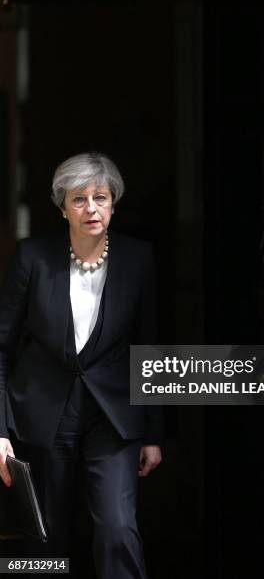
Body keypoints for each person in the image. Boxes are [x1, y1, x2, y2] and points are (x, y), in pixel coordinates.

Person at [0, 152, 163, 578]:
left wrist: (152, 431)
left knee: (116, 528)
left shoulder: (138, 258)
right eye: (79, 199)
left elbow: (149, 346)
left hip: (113, 415)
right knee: (45, 536)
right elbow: (2, 345)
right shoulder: (32, 257)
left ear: (113, 204)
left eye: (101, 198)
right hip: (41, 412)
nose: (92, 208)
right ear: (62, 208)